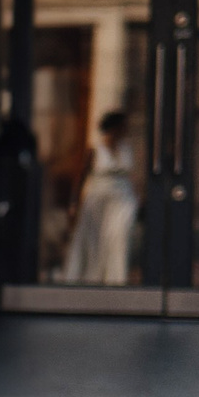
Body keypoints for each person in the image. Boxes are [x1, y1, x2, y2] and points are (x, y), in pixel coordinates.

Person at [59, 110, 140, 284]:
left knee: (119, 236)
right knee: (95, 238)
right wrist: (74, 202)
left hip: (122, 198)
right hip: (99, 197)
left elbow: (131, 176)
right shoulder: (95, 149)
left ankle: (116, 278)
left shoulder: (126, 149)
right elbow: (82, 175)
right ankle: (92, 277)